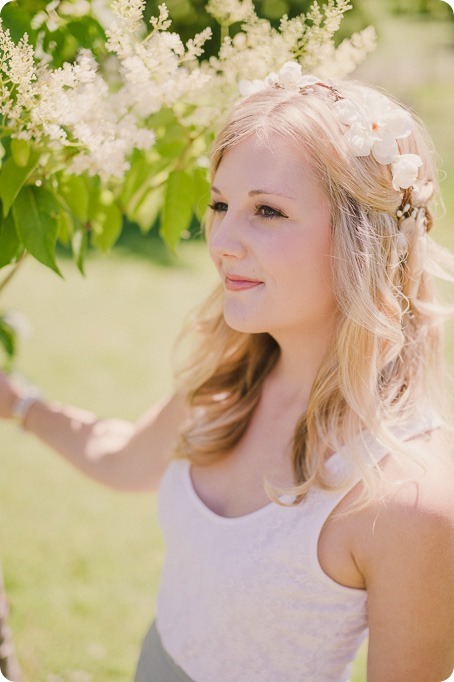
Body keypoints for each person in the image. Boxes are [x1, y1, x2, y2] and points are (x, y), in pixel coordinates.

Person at [1, 64, 454, 682]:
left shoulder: (405, 497)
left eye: (267, 210)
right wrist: (18, 403)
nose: (221, 240)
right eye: (220, 203)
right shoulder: (227, 386)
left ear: (363, 239)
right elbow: (123, 458)